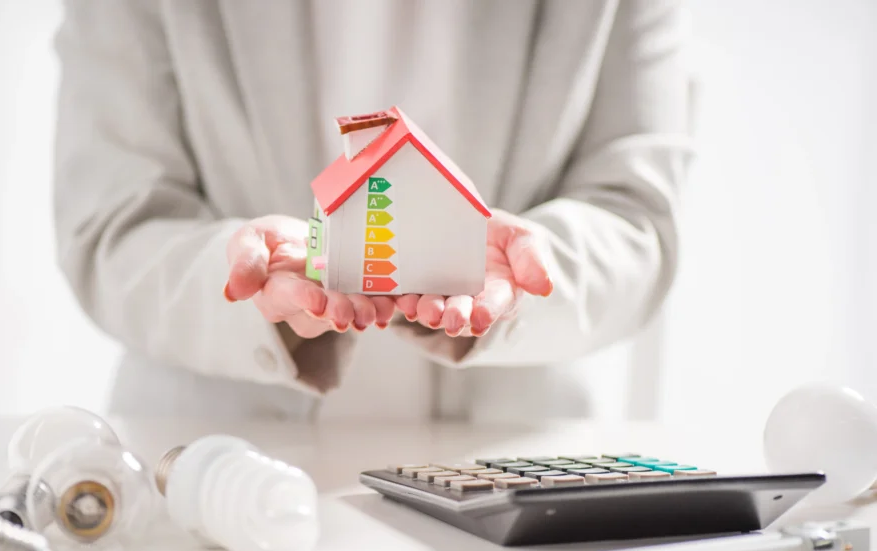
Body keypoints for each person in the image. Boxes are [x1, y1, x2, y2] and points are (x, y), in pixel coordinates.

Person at [51, 0, 694, 423]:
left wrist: (530, 269)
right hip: (216, 459)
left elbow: (637, 218)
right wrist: (243, 284)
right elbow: (112, 224)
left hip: (509, 458)